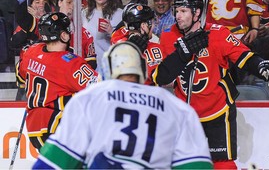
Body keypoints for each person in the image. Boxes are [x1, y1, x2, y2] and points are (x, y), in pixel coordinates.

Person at [32, 41, 213, 169]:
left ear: (107, 69)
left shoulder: (90, 98)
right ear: (142, 70)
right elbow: (196, 165)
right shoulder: (177, 108)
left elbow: (53, 163)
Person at [151, 0, 269, 169]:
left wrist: (262, 66)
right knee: (185, 164)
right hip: (186, 114)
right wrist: (183, 52)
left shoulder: (217, 33)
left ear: (196, 13)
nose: (178, 16)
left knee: (222, 164)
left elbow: (243, 56)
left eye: (183, 11)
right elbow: (160, 77)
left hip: (217, 110)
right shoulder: (168, 37)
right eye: (176, 11)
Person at [16, 12, 98, 150]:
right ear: (64, 35)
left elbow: (20, 76)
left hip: (34, 127)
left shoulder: (31, 52)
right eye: (68, 31)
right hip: (56, 124)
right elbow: (99, 90)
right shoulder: (71, 63)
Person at [111, 1, 164, 85]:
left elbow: (119, 28)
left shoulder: (117, 40)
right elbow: (162, 79)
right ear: (143, 26)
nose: (153, 26)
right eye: (152, 22)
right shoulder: (154, 49)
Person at [82, 0, 123, 71]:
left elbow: (125, 42)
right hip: (90, 66)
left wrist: (111, 32)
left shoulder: (120, 14)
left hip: (110, 66)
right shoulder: (84, 13)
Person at [58, 0, 97, 70]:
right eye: (69, 2)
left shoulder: (84, 34)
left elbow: (92, 64)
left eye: (75, 4)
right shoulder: (46, 28)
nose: (72, 7)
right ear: (60, 2)